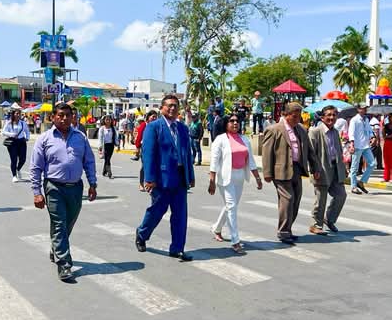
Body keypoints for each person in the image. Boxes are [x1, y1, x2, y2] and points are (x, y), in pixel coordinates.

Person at [30, 103, 97, 282]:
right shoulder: (44, 139)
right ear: (53, 117)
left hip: (75, 187)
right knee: (59, 223)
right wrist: (37, 192)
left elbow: (89, 161)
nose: (64, 118)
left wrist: (92, 183)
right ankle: (64, 264)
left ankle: (56, 248)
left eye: (68, 115)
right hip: (54, 187)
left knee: (68, 223)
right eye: (60, 115)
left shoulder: (80, 137)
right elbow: (36, 168)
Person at [135, 94, 195, 262]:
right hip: (161, 179)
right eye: (169, 105)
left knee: (180, 215)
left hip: (180, 178)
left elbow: (187, 154)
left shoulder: (182, 128)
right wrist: (149, 178)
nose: (173, 108)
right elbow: (148, 154)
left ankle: (177, 248)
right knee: (157, 211)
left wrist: (190, 175)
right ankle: (142, 234)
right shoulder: (154, 127)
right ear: (162, 108)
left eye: (175, 105)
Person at [261, 102, 319, 244]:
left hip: (297, 169)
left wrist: (315, 168)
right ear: (285, 115)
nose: (297, 119)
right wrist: (267, 172)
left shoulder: (301, 129)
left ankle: (288, 229)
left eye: (299, 116)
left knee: (296, 200)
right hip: (280, 171)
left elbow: (309, 150)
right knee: (288, 200)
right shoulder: (274, 129)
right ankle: (283, 232)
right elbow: (267, 152)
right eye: (294, 116)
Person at [208, 114, 262, 254]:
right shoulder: (220, 139)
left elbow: (250, 160)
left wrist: (257, 177)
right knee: (231, 206)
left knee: (230, 206)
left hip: (239, 176)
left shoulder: (244, 139)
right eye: (231, 121)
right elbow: (214, 161)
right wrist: (212, 180)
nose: (235, 123)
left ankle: (216, 228)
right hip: (225, 177)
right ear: (226, 124)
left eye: (237, 121)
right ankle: (235, 240)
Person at [307, 105, 347, 234]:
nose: (331, 117)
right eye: (329, 115)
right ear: (322, 117)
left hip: (336, 168)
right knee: (321, 199)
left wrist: (343, 167)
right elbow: (310, 153)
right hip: (321, 169)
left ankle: (329, 219)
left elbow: (338, 150)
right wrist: (314, 170)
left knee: (341, 195)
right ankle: (316, 225)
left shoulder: (335, 132)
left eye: (334, 115)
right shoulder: (315, 131)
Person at [348, 103, 376, 194]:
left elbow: (369, 130)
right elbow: (351, 132)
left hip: (366, 145)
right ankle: (353, 186)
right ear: (358, 109)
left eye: (365, 108)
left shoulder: (366, 119)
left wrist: (373, 137)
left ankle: (361, 181)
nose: (364, 110)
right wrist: (352, 144)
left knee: (372, 164)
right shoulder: (354, 120)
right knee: (354, 168)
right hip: (357, 145)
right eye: (362, 108)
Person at [2, 109, 30, 183]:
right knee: (14, 159)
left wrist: (27, 137)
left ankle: (18, 169)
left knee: (23, 159)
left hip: (22, 142)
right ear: (13, 114)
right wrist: (12, 134)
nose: (18, 115)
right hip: (12, 142)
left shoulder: (23, 123)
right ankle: (14, 175)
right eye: (16, 113)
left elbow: (27, 131)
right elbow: (3, 132)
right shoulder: (9, 123)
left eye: (19, 114)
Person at [135, 110, 157, 190]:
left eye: (156, 117)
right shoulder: (144, 125)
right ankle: (141, 183)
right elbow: (139, 138)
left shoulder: (157, 126)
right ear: (148, 117)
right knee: (144, 166)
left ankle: (151, 183)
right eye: (153, 117)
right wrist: (137, 148)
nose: (154, 118)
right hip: (145, 149)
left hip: (155, 149)